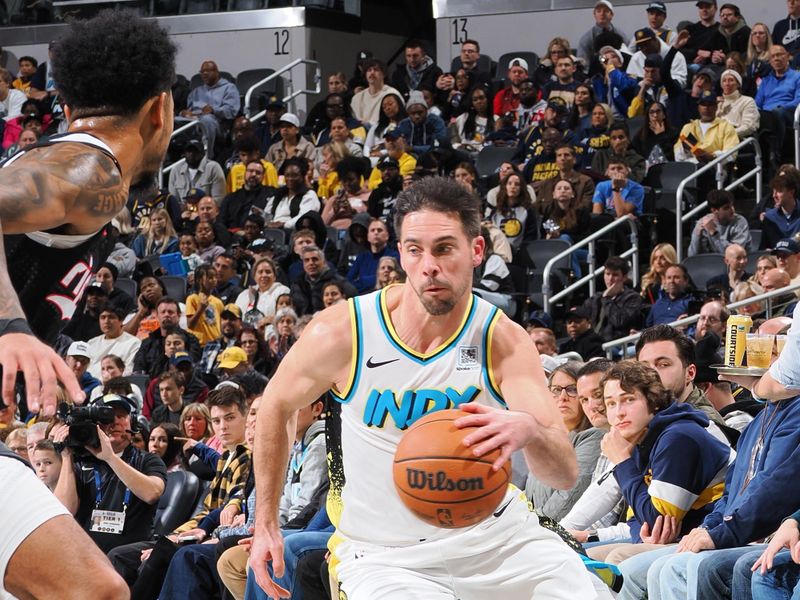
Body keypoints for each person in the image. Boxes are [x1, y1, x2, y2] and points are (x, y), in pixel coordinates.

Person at [249, 176, 611, 599]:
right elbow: (275, 405)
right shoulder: (345, 331)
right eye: (415, 250)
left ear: (476, 251)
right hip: (385, 554)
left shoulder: (503, 341)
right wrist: (266, 524)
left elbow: (564, 473)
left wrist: (529, 431)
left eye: (444, 249)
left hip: (499, 540)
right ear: (401, 254)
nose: (429, 266)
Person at [51, 392, 166, 553]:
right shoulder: (80, 462)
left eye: (121, 416)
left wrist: (110, 457)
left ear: (132, 422)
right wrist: (67, 456)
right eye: (107, 417)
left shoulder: (148, 460)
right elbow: (65, 509)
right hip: (86, 553)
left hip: (131, 556)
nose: (115, 422)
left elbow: (152, 493)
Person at [526, 361, 604, 522]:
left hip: (558, 532)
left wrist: (526, 526)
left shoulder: (595, 436)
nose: (563, 397)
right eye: (556, 390)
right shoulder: (543, 438)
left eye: (572, 390)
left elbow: (568, 498)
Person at [177, 61, 240, 159]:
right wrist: (183, 113)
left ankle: (207, 157)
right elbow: (190, 111)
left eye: (208, 71)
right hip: (194, 121)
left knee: (207, 120)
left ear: (217, 72)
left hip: (217, 124)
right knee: (174, 120)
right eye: (202, 72)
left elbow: (232, 111)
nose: (204, 73)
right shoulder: (196, 91)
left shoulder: (229, 88)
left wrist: (214, 110)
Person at [584, 257, 643, 342]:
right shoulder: (596, 297)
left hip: (616, 344)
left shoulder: (633, 298)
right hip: (593, 343)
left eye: (615, 275)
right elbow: (583, 316)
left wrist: (607, 299)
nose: (610, 279)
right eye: (607, 274)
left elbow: (619, 321)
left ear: (624, 277)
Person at [687, 189, 751, 257]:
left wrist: (714, 233)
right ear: (714, 210)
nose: (732, 210)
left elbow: (735, 255)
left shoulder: (740, 221)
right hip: (711, 264)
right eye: (726, 208)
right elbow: (692, 256)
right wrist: (697, 236)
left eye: (732, 205)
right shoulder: (704, 222)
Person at [350, 59, 401, 127]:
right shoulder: (357, 98)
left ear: (384, 74)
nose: (372, 72)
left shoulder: (392, 94)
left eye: (376, 70)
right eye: (369, 70)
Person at [717, 68, 759, 139]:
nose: (727, 83)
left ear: (738, 84)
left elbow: (749, 126)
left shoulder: (747, 101)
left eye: (731, 80)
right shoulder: (719, 103)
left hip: (737, 139)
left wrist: (727, 134)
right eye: (724, 81)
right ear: (721, 85)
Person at [763, 173, 800, 250]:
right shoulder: (769, 217)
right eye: (773, 191)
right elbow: (766, 247)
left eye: (779, 191)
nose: (774, 196)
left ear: (791, 192)